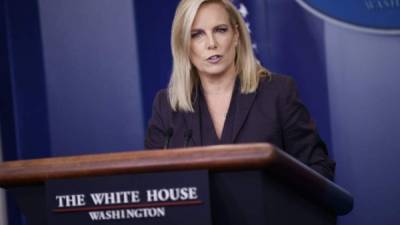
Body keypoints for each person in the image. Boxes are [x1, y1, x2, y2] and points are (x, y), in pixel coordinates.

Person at [145, 0, 335, 180]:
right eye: (197, 34)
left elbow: (318, 169)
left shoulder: (278, 92)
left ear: (236, 35)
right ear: (184, 45)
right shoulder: (167, 106)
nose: (211, 43)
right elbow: (151, 182)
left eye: (220, 30)